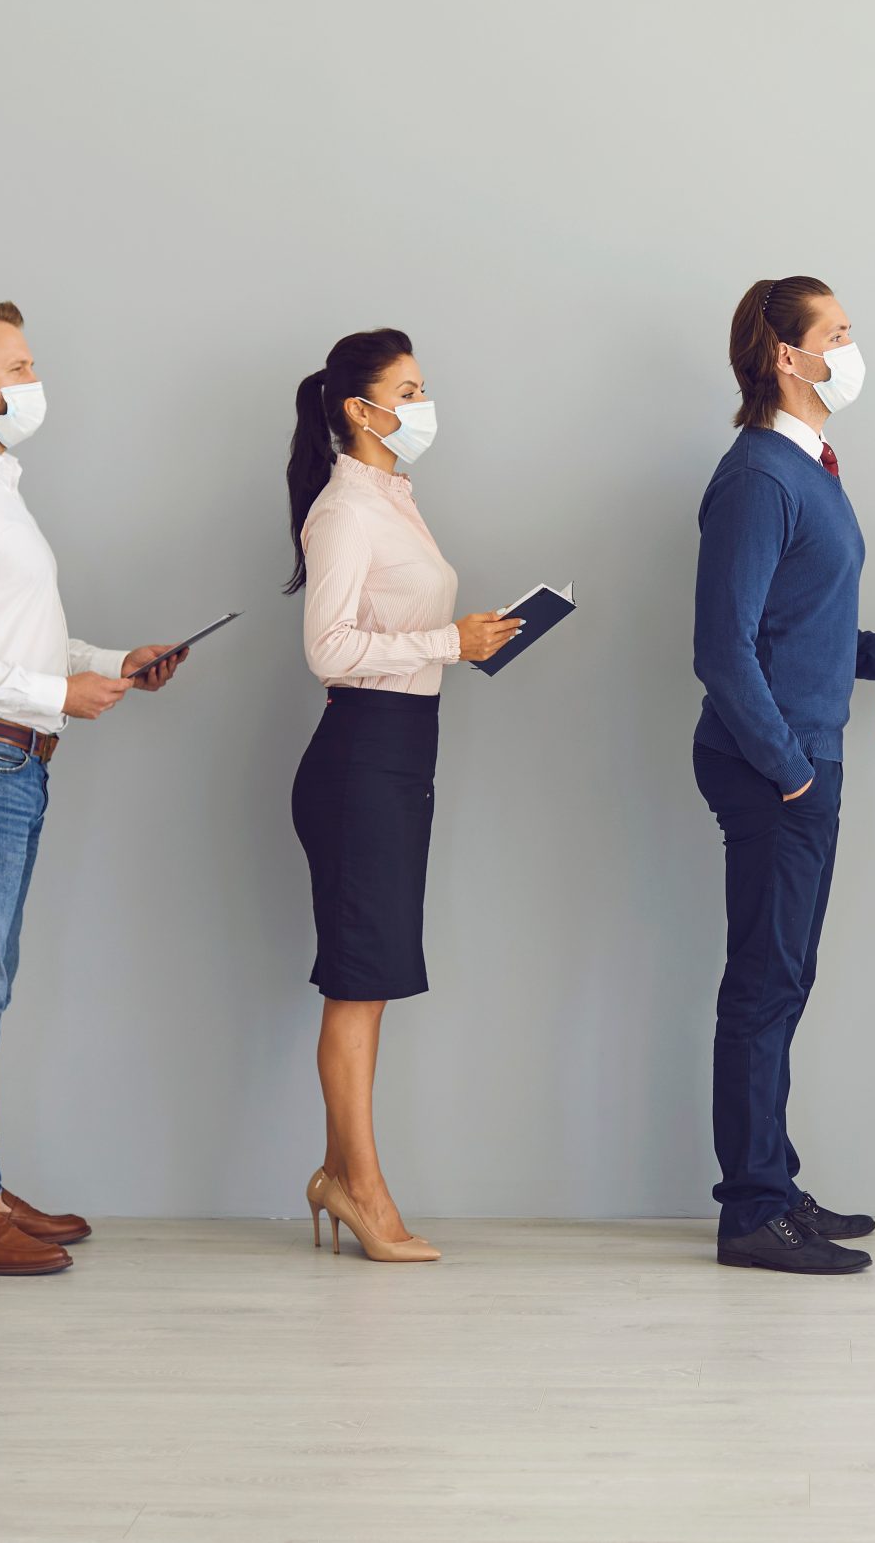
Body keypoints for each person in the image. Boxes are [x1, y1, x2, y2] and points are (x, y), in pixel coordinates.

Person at [0, 302, 188, 1276]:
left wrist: (108, 661)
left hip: (2, 763)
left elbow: (5, 641)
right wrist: (58, 693)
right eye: (15, 365)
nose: (32, 380)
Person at [691, 276, 875, 1275]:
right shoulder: (759, 478)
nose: (853, 350)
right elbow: (723, 651)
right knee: (763, 985)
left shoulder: (809, 469)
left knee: (784, 978)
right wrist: (789, 770)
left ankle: (773, 1184)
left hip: (804, 756)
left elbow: (797, 628)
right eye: (838, 334)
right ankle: (750, 1213)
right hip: (776, 766)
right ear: (786, 359)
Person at [284, 328, 521, 1264]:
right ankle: (361, 1190)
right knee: (358, 984)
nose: (424, 406)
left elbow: (407, 630)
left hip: (402, 751)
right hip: (360, 756)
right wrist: (446, 644)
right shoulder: (345, 510)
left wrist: (468, 640)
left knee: (373, 983)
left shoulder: (394, 500)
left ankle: (341, 1176)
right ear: (361, 408)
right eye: (409, 389)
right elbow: (328, 650)